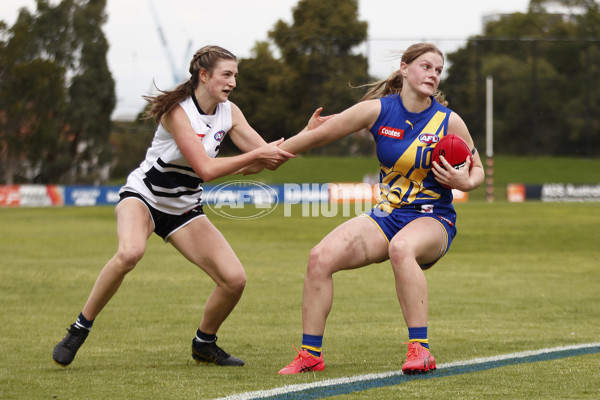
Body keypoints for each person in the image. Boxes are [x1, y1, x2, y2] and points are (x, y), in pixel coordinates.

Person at [52, 45, 324, 367]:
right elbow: (207, 169)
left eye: (235, 75)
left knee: (234, 279)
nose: (233, 82)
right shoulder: (177, 112)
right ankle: (79, 328)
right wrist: (253, 159)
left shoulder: (230, 112)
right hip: (145, 198)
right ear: (204, 75)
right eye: (227, 74)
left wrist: (307, 135)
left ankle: (204, 344)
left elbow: (268, 157)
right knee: (130, 253)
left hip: (183, 209)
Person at [275, 43, 485, 374]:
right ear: (404, 68)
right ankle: (310, 355)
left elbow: (478, 171)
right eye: (426, 66)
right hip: (386, 216)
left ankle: (421, 351)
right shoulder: (378, 110)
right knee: (319, 258)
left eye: (438, 70)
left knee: (402, 247)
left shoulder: (448, 121)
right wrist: (267, 156)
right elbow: (319, 136)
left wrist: (464, 182)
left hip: (433, 219)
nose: (433, 74)